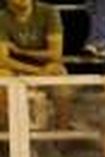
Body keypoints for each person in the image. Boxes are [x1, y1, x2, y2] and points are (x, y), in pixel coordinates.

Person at [0, 0, 71, 130]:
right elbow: (3, 60)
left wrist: (21, 51)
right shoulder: (2, 18)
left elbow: (55, 54)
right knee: (3, 75)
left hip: (45, 66)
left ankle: (63, 130)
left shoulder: (48, 12)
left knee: (59, 72)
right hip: (16, 67)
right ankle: (7, 131)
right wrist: (36, 71)